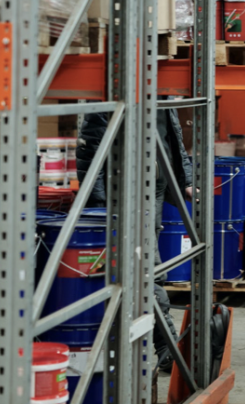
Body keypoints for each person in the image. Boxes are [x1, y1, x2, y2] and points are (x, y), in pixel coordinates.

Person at [76, 107, 192, 379]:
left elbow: (171, 134)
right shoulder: (116, 84)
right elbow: (90, 144)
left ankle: (161, 344)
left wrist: (184, 179)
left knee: (150, 268)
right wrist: (97, 202)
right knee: (147, 268)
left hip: (156, 188)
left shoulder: (162, 89)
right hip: (127, 189)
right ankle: (167, 347)